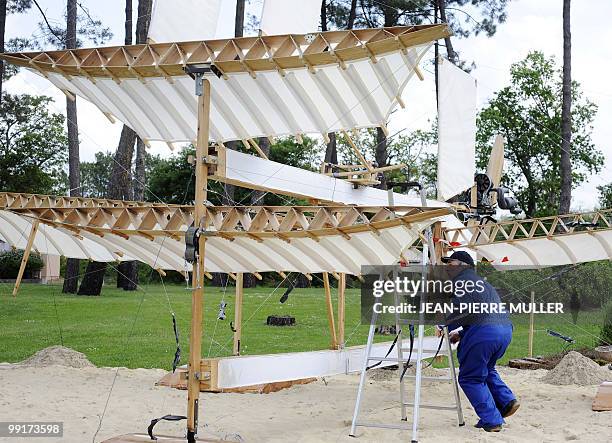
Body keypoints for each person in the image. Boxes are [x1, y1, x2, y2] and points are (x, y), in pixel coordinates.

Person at [441, 251, 520, 432]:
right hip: (504, 330)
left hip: (485, 333)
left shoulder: (461, 281)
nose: (446, 266)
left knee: (470, 378)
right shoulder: (481, 282)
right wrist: (461, 334)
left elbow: (462, 310)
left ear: (463, 265)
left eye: (450, 262)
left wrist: (441, 322)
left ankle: (492, 420)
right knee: (487, 369)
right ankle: (507, 401)